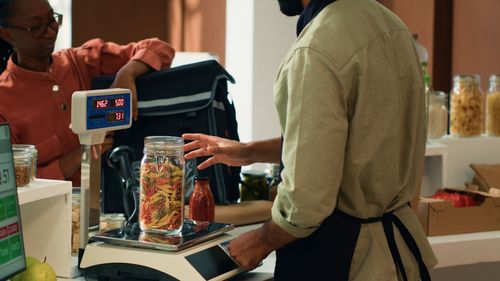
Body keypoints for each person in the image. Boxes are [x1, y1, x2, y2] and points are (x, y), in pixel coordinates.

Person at [183, 0, 437, 280]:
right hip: (399, 257)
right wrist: (249, 152)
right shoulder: (390, 24)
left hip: (346, 261)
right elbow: (355, 142)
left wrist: (259, 242)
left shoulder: (315, 49)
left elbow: (305, 204)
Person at [0, 0, 175, 186]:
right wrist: (78, 157)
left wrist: (127, 73)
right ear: (6, 33)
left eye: (52, 20)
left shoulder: (80, 62)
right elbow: (13, 184)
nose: (50, 32)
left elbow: (160, 48)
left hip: (115, 199)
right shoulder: (4, 100)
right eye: (36, 27)